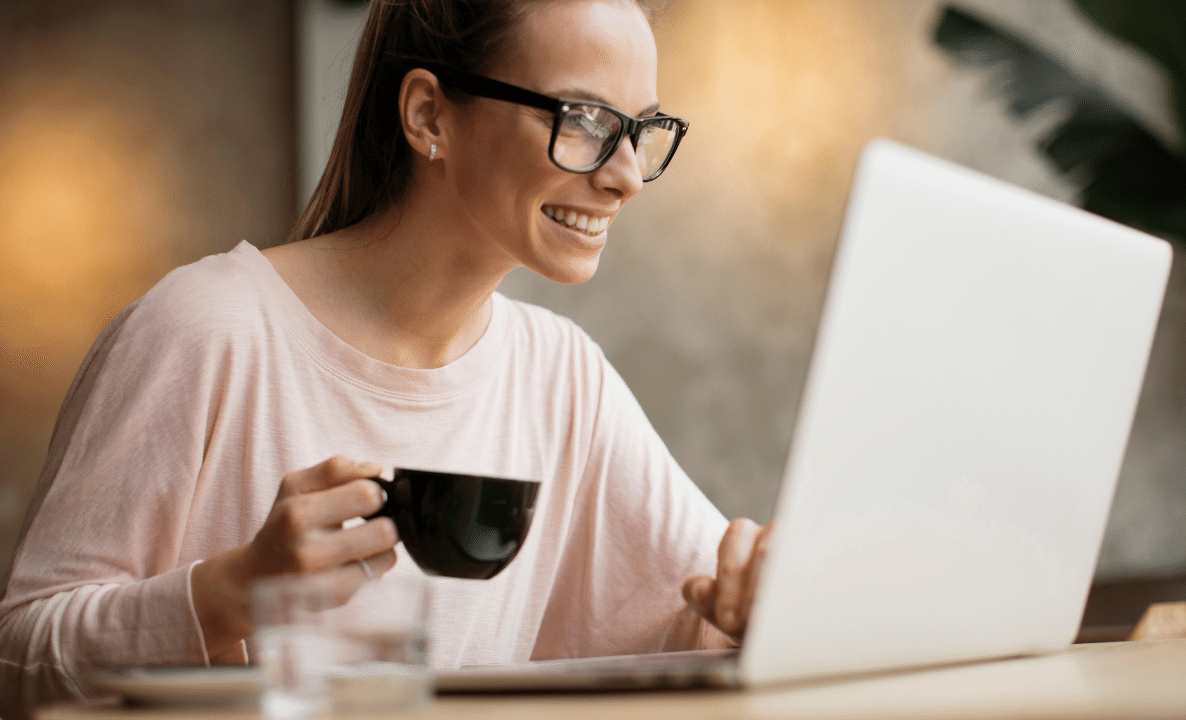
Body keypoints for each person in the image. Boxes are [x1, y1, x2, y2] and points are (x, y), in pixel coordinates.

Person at [0, 1, 772, 717]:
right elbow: (22, 654)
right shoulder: (208, 330)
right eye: (584, 119)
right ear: (428, 113)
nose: (627, 175)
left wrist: (757, 600)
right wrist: (230, 592)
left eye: (640, 128)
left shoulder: (562, 375)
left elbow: (698, 614)